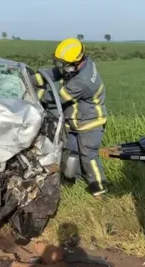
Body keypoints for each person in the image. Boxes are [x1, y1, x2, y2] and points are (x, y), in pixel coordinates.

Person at [31, 38, 109, 199]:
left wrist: (32, 93)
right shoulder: (81, 64)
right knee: (72, 152)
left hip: (89, 124)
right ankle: (78, 181)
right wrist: (33, 79)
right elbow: (57, 72)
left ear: (76, 61)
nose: (61, 66)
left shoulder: (82, 81)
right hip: (76, 121)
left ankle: (99, 189)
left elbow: (56, 98)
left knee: (88, 156)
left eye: (64, 63)